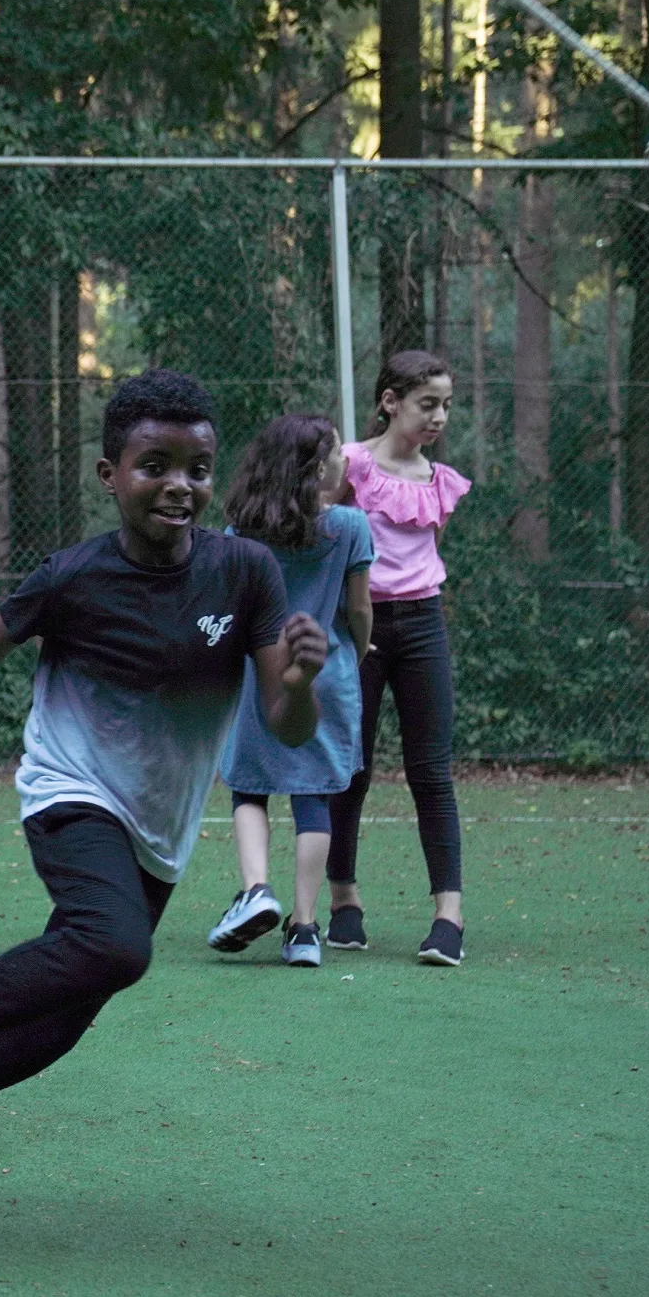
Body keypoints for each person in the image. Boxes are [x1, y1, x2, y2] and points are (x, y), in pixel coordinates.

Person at [0, 371, 326, 1208]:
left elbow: (286, 726)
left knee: (54, 1029)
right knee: (115, 946)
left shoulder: (246, 573)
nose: (177, 486)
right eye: (154, 465)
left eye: (195, 468)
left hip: (159, 828)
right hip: (70, 791)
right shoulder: (71, 576)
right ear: (109, 474)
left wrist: (298, 683)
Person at [205, 413, 374, 968]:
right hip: (327, 671)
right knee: (313, 796)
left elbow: (230, 613)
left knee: (248, 788)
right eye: (333, 452)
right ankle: (304, 928)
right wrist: (359, 646)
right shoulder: (350, 527)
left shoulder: (240, 534)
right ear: (313, 467)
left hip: (262, 672)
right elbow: (358, 609)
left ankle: (256, 889)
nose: (342, 459)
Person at [328, 352, 472, 966]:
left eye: (445, 406)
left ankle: (448, 918)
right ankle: (344, 906)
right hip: (357, 626)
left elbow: (426, 553)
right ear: (390, 401)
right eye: (427, 403)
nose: (438, 416)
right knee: (349, 768)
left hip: (422, 628)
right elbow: (325, 532)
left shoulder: (438, 479)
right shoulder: (352, 464)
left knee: (430, 772)